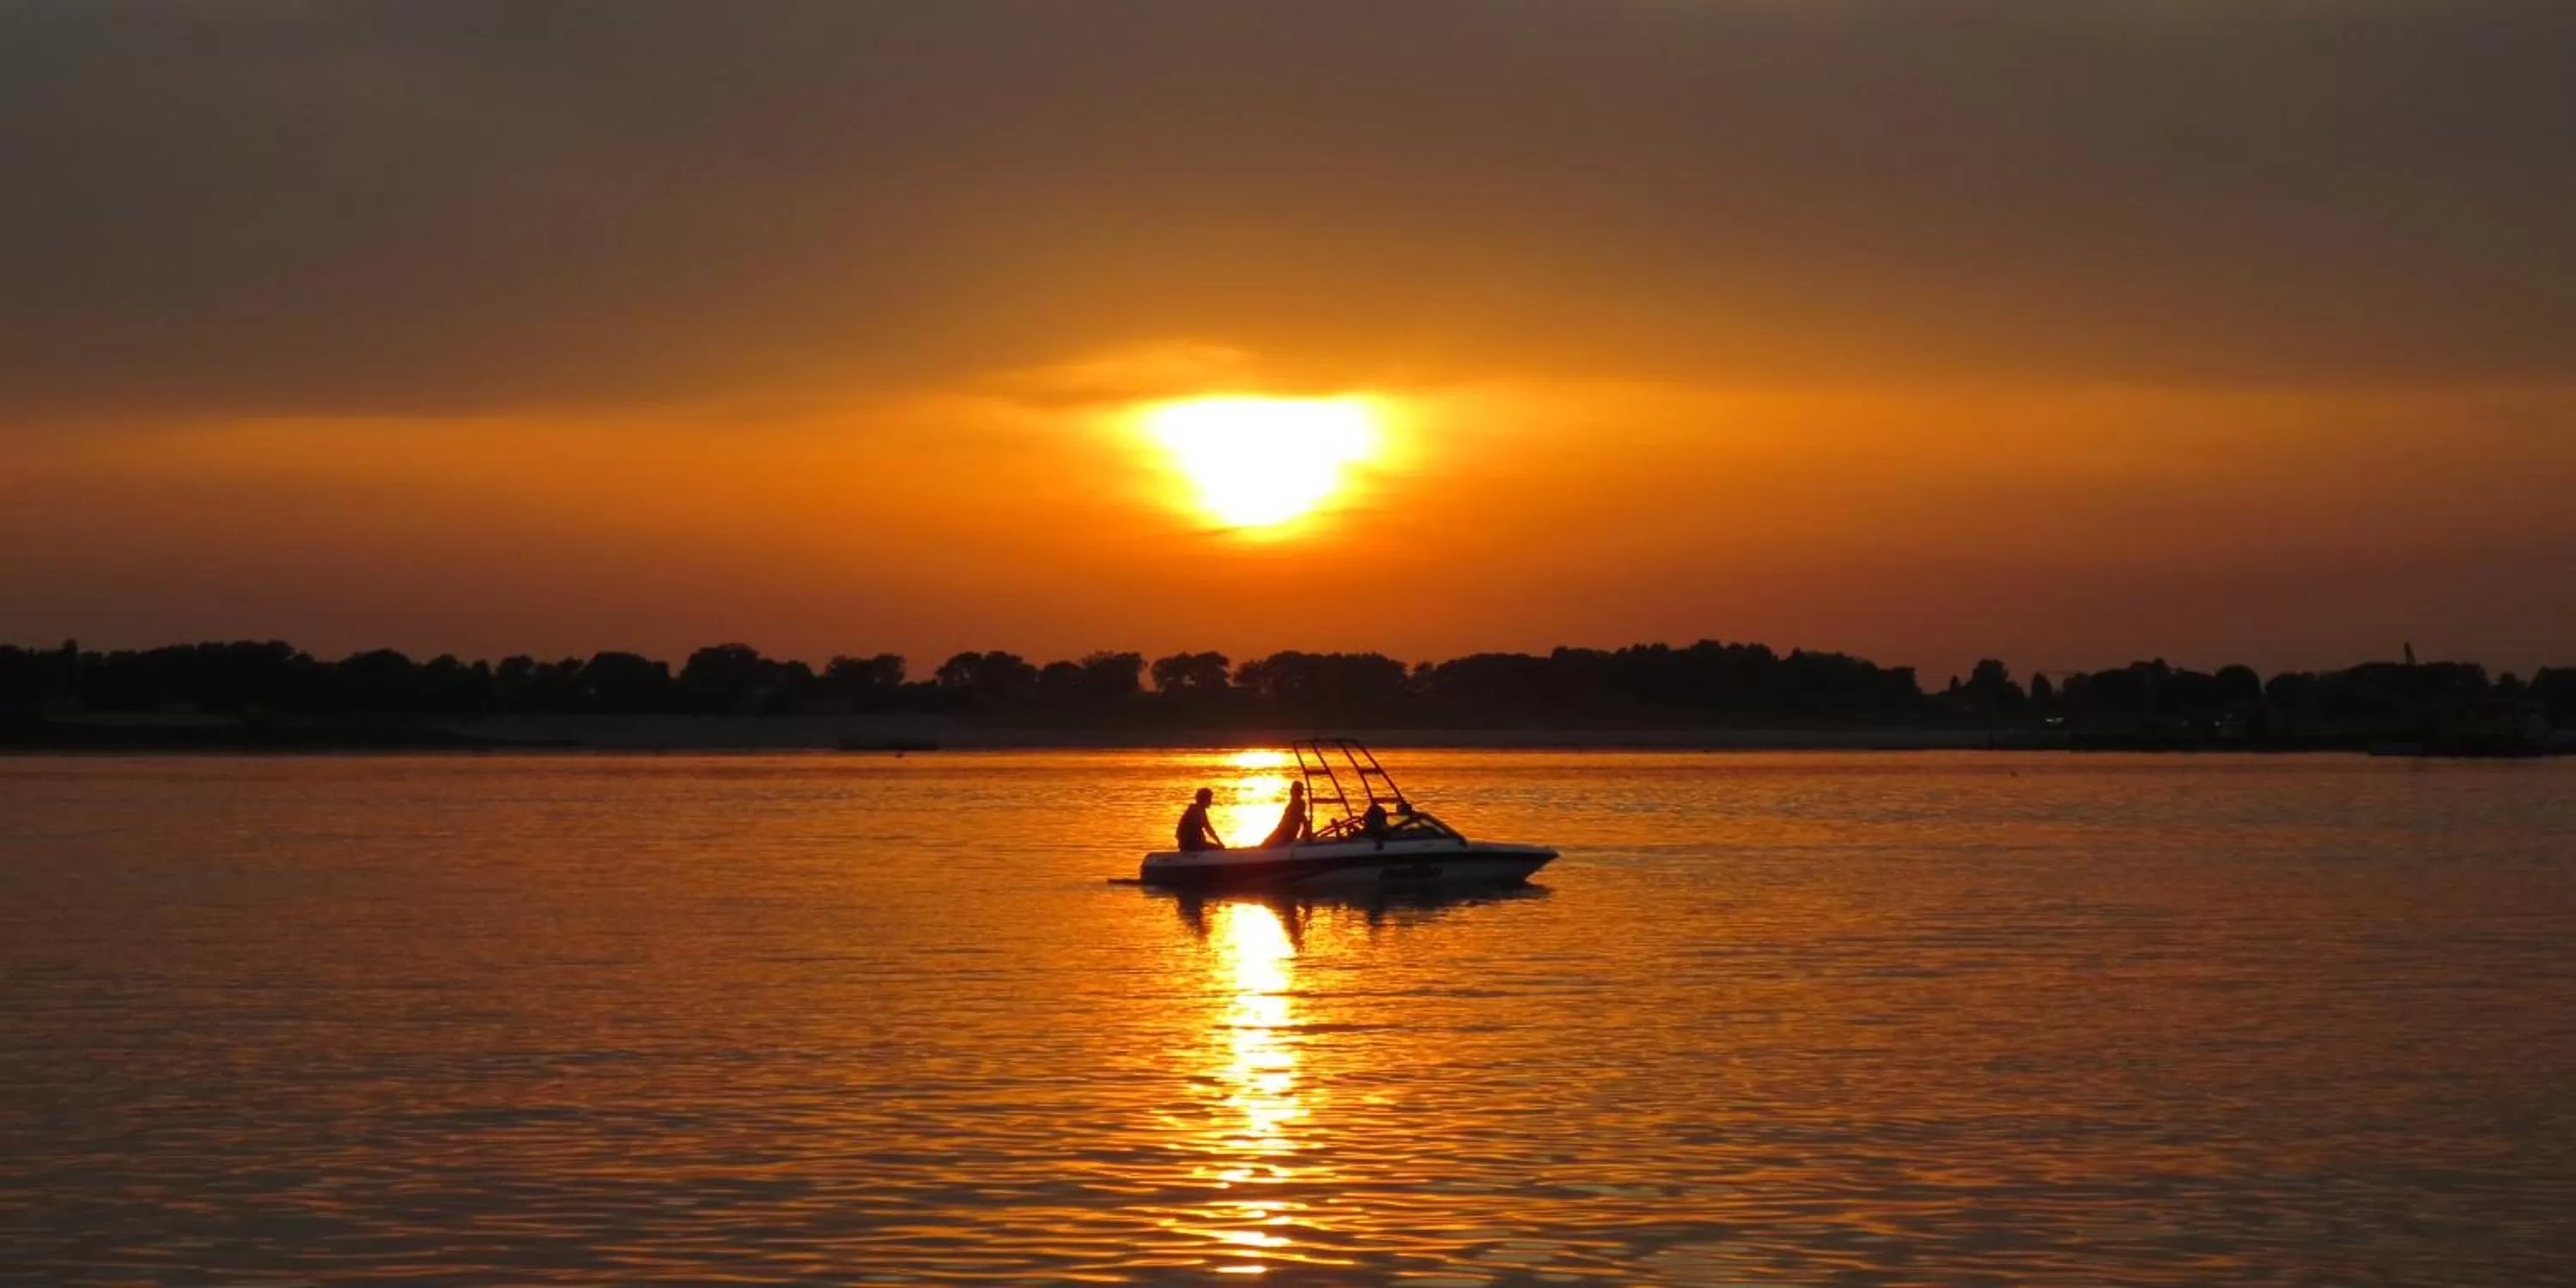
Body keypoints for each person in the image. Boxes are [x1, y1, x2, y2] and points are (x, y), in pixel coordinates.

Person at [1259, 781, 1310, 849]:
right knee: (1266, 843)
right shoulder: (1294, 804)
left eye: (1293, 790)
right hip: (1282, 830)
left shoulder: (1298, 804)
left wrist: (1306, 829)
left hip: (1287, 833)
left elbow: (1300, 818)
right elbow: (1301, 818)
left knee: (1268, 845)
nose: (1291, 792)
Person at [1176, 787, 1226, 853]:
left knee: (1218, 848)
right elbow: (1208, 828)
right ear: (1204, 799)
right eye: (1209, 799)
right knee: (1219, 849)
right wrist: (1219, 843)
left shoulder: (1198, 810)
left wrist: (1219, 842)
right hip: (1191, 845)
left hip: (1193, 844)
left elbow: (1208, 828)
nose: (1210, 802)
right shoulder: (1196, 811)